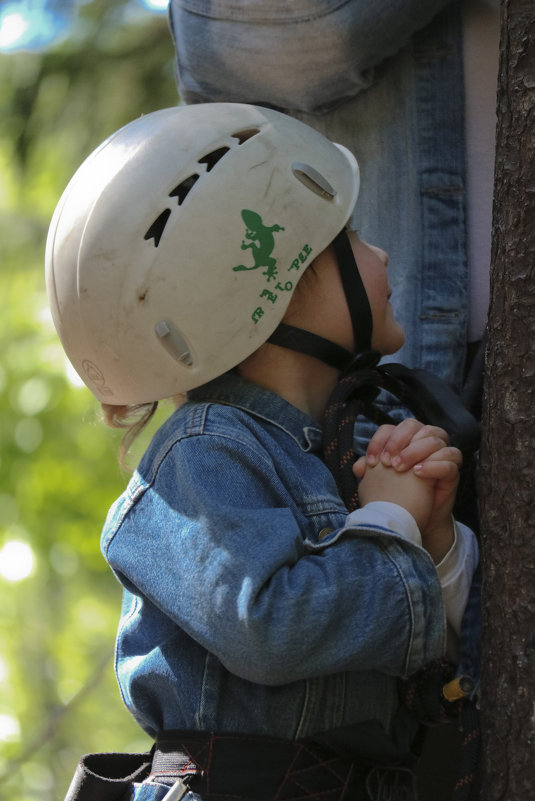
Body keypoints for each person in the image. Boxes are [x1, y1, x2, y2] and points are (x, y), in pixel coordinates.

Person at [46, 103, 479, 801]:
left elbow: (432, 656)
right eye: (353, 236)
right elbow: (268, 627)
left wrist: (434, 545)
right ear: (265, 289)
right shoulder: (201, 452)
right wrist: (389, 528)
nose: (382, 253)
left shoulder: (340, 453)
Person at [168, 0, 500, 417]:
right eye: (347, 235)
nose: (382, 253)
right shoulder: (218, 448)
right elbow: (308, 33)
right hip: (397, 394)